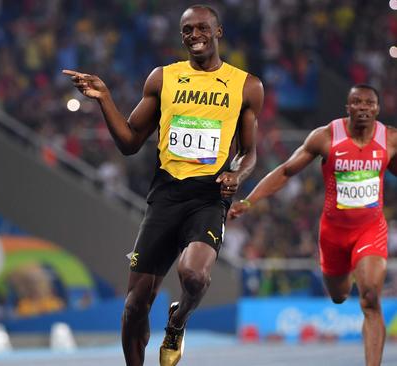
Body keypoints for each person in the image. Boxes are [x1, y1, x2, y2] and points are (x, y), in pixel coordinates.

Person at [64, 5, 263, 366]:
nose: (194, 35)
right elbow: (129, 142)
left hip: (208, 198)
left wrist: (238, 175)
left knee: (193, 275)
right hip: (165, 197)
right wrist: (105, 98)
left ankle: (177, 321)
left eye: (202, 28)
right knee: (134, 306)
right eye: (187, 30)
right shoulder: (163, 79)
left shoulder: (246, 86)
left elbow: (249, 153)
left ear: (218, 33)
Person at [229, 84, 394, 366]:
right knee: (340, 296)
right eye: (357, 102)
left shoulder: (389, 139)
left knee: (369, 298)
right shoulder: (326, 137)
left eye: (369, 103)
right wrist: (249, 201)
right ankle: (347, 272)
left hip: (371, 230)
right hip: (333, 236)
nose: (364, 107)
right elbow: (286, 171)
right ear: (348, 107)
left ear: (377, 109)